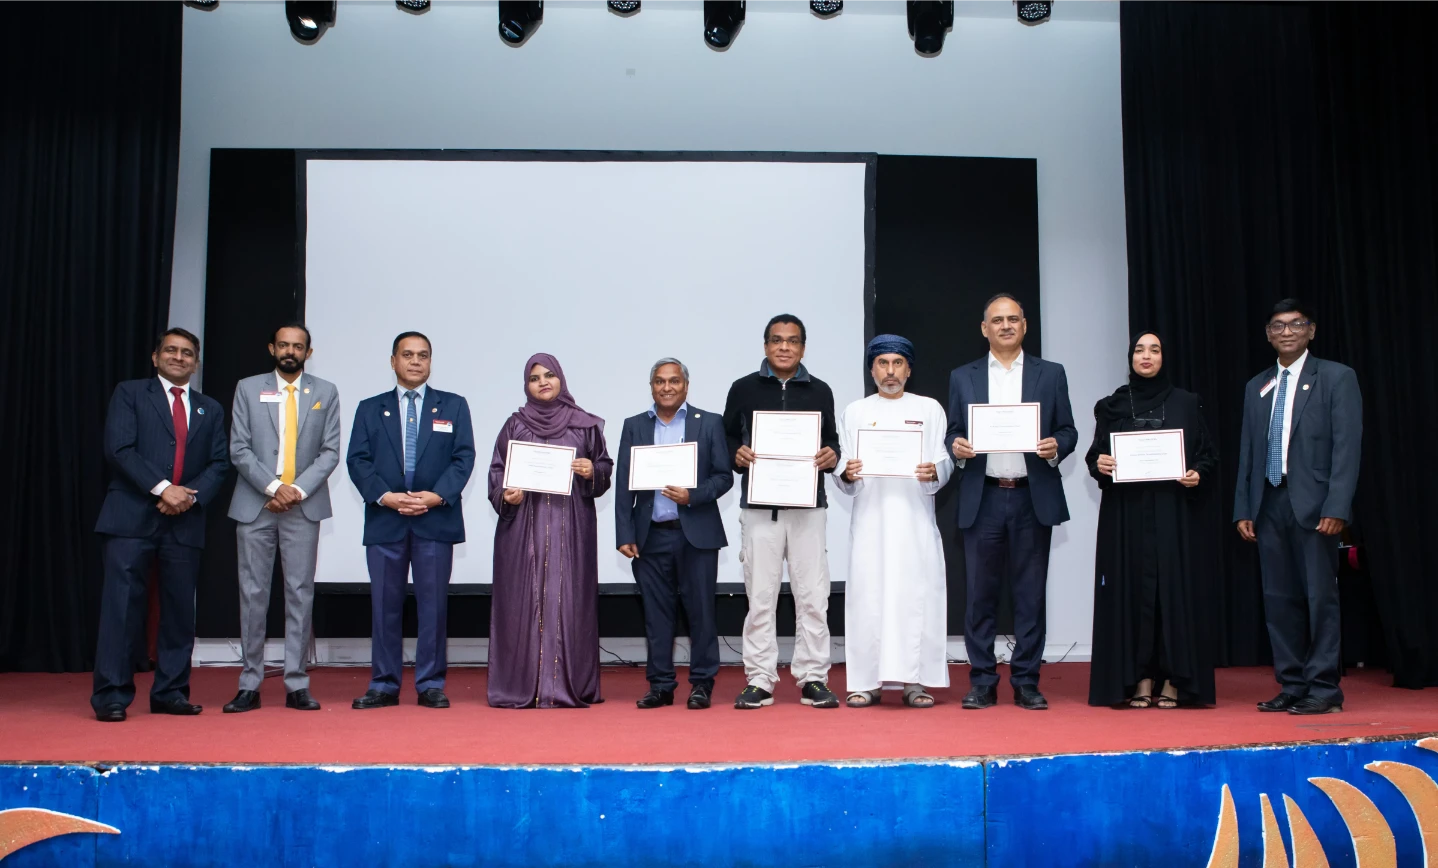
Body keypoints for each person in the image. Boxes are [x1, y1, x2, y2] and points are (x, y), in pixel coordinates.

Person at [91, 328, 231, 722]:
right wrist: (163, 489)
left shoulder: (210, 408)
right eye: (171, 350)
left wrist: (188, 496)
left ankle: (171, 692)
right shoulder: (130, 393)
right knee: (121, 609)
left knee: (179, 613)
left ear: (196, 363)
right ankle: (112, 696)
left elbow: (219, 464)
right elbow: (119, 449)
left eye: (187, 353)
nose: (179, 357)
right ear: (156, 357)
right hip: (130, 518)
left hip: (184, 521)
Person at [946, 294, 1077, 711]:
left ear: (1024, 325)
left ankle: (1026, 681)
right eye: (997, 320)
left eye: (1013, 319)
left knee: (1030, 597)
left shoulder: (1051, 374)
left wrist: (1057, 446)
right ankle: (982, 681)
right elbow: (952, 431)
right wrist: (956, 446)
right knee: (979, 597)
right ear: (984, 328)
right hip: (982, 496)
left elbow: (1068, 430)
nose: (1005, 326)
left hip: (1030, 498)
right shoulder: (962, 377)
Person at [1235, 299, 1361, 715]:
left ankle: (1324, 688)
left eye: (1295, 324)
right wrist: (1243, 508)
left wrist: (1337, 505)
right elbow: (1248, 452)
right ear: (1268, 335)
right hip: (1268, 502)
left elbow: (1347, 447)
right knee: (1278, 599)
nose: (1286, 332)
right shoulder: (1257, 386)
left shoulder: (1337, 377)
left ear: (1311, 330)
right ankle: (1291, 684)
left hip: (1316, 504)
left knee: (1320, 598)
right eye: (1278, 326)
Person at [1086, 332, 1218, 709]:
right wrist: (1100, 464)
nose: (1147, 356)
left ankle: (1175, 679)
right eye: (1140, 350)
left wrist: (1197, 473)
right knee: (1130, 593)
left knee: (1172, 593)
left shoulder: (1186, 403)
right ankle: (1138, 678)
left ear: (1164, 357)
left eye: (1155, 350)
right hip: (1125, 518)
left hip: (1173, 514)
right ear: (1130, 357)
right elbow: (1096, 456)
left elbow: (1207, 455)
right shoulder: (1111, 405)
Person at [346, 332, 475, 710]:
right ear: (393, 361)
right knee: (384, 606)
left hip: (435, 520)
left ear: (430, 362)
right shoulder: (370, 408)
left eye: (423, 355)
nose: (415, 361)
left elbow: (463, 458)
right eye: (407, 355)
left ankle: (431, 683)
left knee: (433, 607)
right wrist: (385, 496)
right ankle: (383, 684)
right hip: (386, 519)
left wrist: (437, 496)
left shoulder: (453, 405)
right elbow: (357, 460)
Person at [722, 314, 842, 710]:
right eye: (777, 340)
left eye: (792, 341)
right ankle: (759, 679)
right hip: (760, 509)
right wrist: (736, 454)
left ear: (803, 348)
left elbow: (831, 441)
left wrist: (831, 455)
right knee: (760, 597)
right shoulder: (742, 388)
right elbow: (726, 438)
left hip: (809, 508)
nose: (784, 347)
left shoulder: (820, 390)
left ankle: (813, 678)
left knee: (813, 597)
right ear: (765, 346)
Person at [223, 323, 342, 714]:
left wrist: (296, 491)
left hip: (302, 507)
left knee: (299, 593)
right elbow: (239, 449)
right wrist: (274, 488)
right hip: (256, 504)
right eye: (284, 345)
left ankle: (297, 683)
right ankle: (249, 684)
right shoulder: (247, 388)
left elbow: (330, 452)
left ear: (309, 352)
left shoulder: (325, 392)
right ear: (272, 348)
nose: (291, 351)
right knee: (253, 594)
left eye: (298, 346)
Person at [487, 353, 613, 708]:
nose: (542, 382)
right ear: (526, 385)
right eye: (534, 378)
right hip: (522, 531)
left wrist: (592, 471)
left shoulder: (585, 425)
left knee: (571, 601)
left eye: (549, 375)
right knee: (521, 602)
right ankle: (521, 686)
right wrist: (506, 494)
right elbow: (497, 473)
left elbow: (605, 469)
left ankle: (569, 685)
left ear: (561, 379)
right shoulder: (514, 425)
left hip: (571, 528)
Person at [833, 335, 952, 708]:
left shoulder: (929, 409)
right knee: (868, 599)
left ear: (909, 369)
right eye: (882, 363)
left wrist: (935, 471)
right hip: (871, 521)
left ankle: (915, 682)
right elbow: (843, 466)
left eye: (897, 363)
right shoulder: (855, 411)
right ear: (871, 370)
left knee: (915, 598)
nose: (890, 371)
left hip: (915, 521)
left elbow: (943, 460)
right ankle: (866, 683)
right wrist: (847, 473)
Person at [614, 358, 734, 710]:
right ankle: (661, 685)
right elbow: (623, 485)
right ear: (652, 386)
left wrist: (692, 495)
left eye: (674, 381)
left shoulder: (709, 422)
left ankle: (702, 684)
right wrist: (624, 533)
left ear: (686, 385)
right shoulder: (634, 425)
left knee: (701, 613)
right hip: (649, 536)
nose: (667, 387)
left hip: (695, 535)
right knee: (656, 615)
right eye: (660, 381)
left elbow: (723, 476)